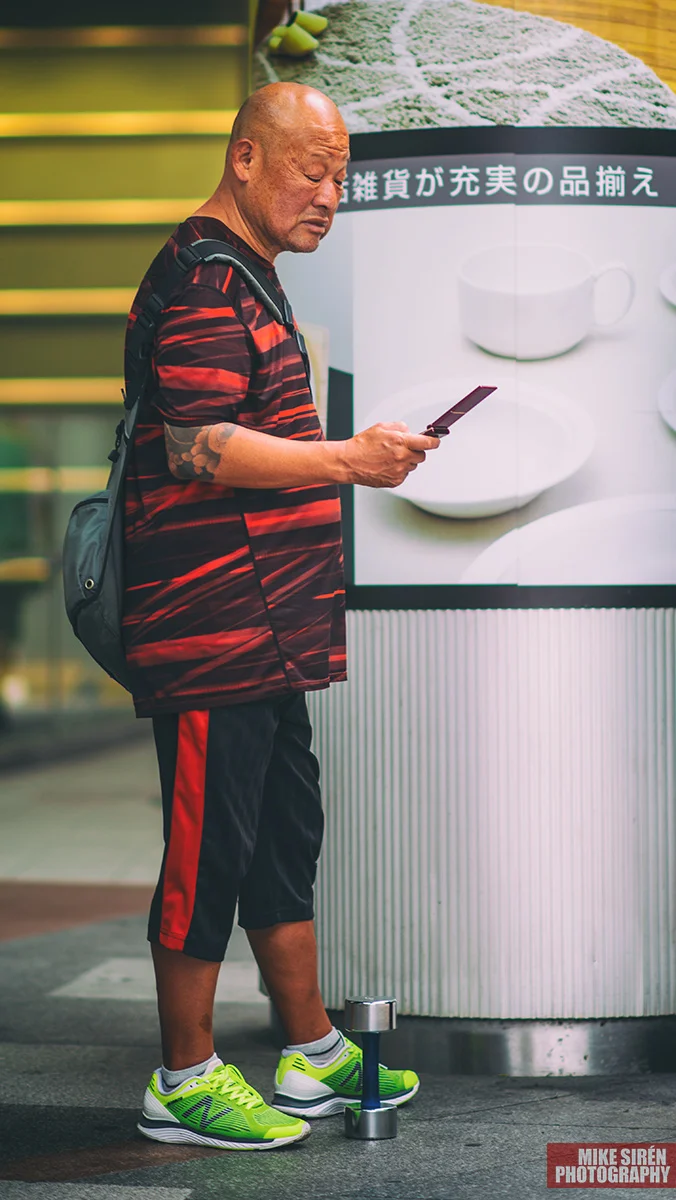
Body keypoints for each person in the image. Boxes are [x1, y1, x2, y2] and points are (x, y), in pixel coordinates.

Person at [122, 80, 440, 1151]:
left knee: (280, 834)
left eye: (340, 177)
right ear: (246, 157)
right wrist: (347, 459)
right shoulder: (207, 279)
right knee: (208, 849)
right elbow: (194, 444)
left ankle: (309, 1050)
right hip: (209, 624)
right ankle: (183, 1077)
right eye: (313, 170)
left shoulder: (247, 273)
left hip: (265, 626)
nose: (329, 197)